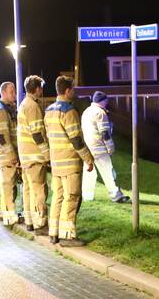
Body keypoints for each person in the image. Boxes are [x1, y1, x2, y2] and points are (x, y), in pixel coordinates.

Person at [44, 76, 94, 246]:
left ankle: (54, 233)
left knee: (58, 197)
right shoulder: (69, 111)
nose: (74, 92)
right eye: (73, 89)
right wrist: (88, 159)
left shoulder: (49, 110)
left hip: (56, 163)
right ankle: (67, 236)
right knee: (71, 197)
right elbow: (76, 140)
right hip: (70, 163)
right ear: (67, 91)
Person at [81, 91, 130, 203]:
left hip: (87, 148)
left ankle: (87, 196)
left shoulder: (86, 112)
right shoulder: (100, 113)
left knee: (89, 173)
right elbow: (105, 134)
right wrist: (110, 148)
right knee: (108, 172)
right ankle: (115, 194)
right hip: (99, 149)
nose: (107, 103)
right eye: (106, 101)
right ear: (102, 101)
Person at [17, 75, 50, 234]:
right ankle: (40, 224)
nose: (42, 90)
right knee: (39, 191)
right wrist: (47, 154)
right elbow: (37, 133)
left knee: (28, 190)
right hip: (35, 157)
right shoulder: (33, 107)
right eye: (41, 87)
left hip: (25, 157)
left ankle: (30, 221)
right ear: (37, 89)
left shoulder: (23, 104)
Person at [0, 82, 20, 226]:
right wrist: (12, 155)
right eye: (11, 91)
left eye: (14, 91)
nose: (14, 94)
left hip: (8, 153)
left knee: (5, 184)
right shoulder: (1, 111)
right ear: (3, 93)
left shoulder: (8, 108)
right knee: (8, 185)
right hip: (6, 155)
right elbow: (3, 136)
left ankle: (3, 213)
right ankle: (9, 216)